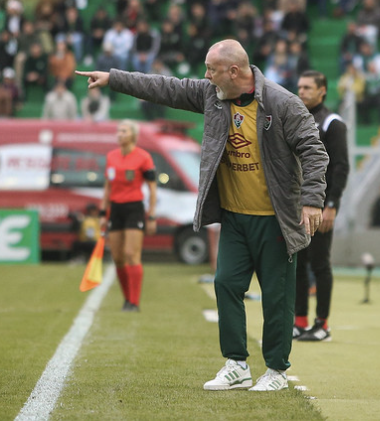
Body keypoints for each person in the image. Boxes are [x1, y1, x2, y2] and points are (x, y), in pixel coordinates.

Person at [76, 39, 328, 392]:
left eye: (211, 69)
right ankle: (237, 364)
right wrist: (114, 78)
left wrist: (312, 199)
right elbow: (165, 88)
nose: (206, 76)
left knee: (276, 297)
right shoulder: (212, 94)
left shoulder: (283, 104)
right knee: (225, 283)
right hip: (235, 218)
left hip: (275, 221)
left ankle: (276, 371)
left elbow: (315, 152)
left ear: (234, 71)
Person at [294, 70, 349, 342]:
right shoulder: (297, 118)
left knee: (319, 264)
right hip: (295, 206)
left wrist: (332, 204)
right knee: (298, 263)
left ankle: (322, 325)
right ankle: (299, 321)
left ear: (322, 90)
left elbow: (340, 166)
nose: (301, 91)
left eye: (307, 87)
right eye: (299, 87)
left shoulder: (332, 123)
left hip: (320, 206)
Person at [98, 120, 157, 313]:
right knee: (117, 257)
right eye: (118, 131)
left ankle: (134, 302)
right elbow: (108, 187)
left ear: (133, 135)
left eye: (124, 131)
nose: (119, 134)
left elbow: (152, 188)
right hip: (115, 208)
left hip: (134, 208)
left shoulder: (143, 157)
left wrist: (151, 215)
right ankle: (126, 299)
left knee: (132, 254)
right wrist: (102, 212)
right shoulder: (111, 157)